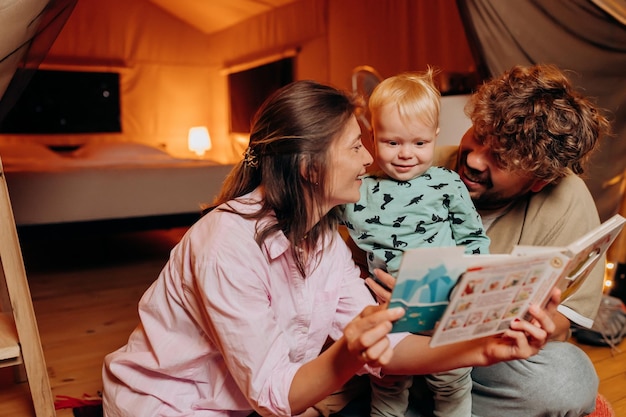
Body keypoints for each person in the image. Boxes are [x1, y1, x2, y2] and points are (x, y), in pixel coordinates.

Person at [101, 79, 557, 417]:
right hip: (168, 406)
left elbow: (392, 348)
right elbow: (276, 396)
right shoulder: (226, 244)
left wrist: (487, 347)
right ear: (310, 168)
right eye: (358, 146)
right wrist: (346, 354)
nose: (368, 159)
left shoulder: (324, 242)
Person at [365, 64, 611, 417]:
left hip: (477, 357)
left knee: (568, 378)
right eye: (479, 135)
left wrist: (542, 328)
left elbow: (560, 328)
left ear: (538, 181)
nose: (475, 159)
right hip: (388, 340)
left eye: (500, 158)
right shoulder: (415, 162)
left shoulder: (566, 199)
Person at [340, 70, 490, 417]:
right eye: (393, 143)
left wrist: (471, 290)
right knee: (387, 385)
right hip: (385, 309)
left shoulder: (447, 183)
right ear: (373, 135)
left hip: (443, 305)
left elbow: (472, 237)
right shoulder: (356, 191)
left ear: (435, 137)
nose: (406, 154)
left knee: (451, 384)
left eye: (420, 143)